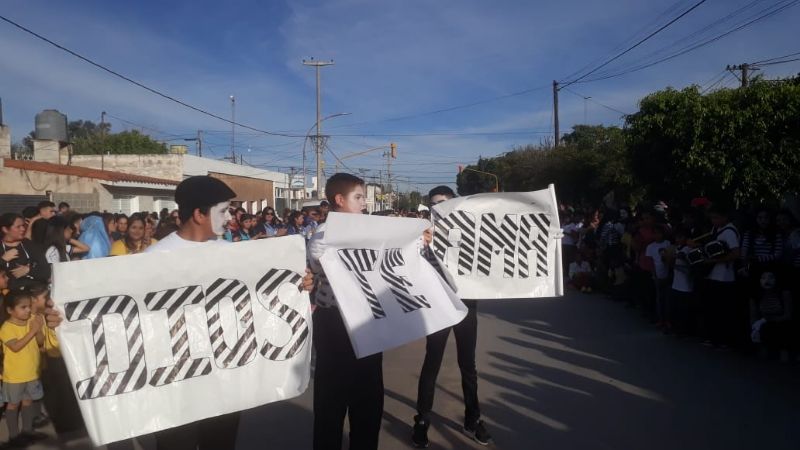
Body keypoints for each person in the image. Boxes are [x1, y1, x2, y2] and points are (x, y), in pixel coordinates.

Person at [143, 176, 312, 450]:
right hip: (175, 387)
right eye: (223, 211)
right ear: (199, 214)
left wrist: (299, 284)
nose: (230, 217)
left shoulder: (231, 254)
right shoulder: (153, 259)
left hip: (223, 382)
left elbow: (259, 298)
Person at [308, 173, 384, 450]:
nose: (365, 203)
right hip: (334, 323)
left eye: (364, 197)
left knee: (369, 399)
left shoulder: (372, 229)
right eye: (359, 197)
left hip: (368, 319)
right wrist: (314, 258)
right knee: (331, 400)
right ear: (339, 200)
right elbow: (311, 272)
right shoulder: (321, 235)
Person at [412, 185, 491, 448]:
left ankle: (473, 419)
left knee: (468, 364)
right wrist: (420, 245)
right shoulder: (420, 237)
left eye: (444, 203)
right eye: (435, 204)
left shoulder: (471, 232)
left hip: (466, 303)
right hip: (437, 306)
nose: (439, 207)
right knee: (431, 363)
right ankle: (422, 420)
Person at [0, 288, 46, 445]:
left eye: (28, 306)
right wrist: (33, 331)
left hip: (31, 372)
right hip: (14, 376)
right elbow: (16, 347)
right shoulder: (7, 328)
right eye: (23, 307)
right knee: (13, 404)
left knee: (28, 402)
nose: (28, 310)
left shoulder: (32, 321)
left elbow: (40, 342)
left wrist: (38, 329)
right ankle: (14, 436)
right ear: (10, 310)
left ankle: (28, 431)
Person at [700, 204, 741, 347]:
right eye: (712, 218)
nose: (713, 221)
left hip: (725, 277)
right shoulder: (716, 230)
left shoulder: (729, 231)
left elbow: (736, 253)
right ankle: (714, 337)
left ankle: (724, 340)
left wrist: (713, 260)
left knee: (723, 310)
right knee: (714, 309)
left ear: (725, 217)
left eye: (716, 217)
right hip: (714, 275)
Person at [0, 213, 50, 289]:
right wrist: (3, 260)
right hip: (9, 295)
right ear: (5, 229)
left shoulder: (29, 245)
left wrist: (29, 270)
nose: (23, 229)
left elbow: (46, 271)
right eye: (18, 227)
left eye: (23, 225)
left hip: (33, 291)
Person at [645, 225, 672, 330]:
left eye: (659, 233)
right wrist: (654, 276)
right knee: (659, 299)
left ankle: (668, 320)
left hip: (668, 275)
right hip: (657, 276)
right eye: (655, 233)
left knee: (668, 299)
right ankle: (661, 320)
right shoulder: (650, 247)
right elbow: (651, 263)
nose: (657, 235)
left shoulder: (667, 244)